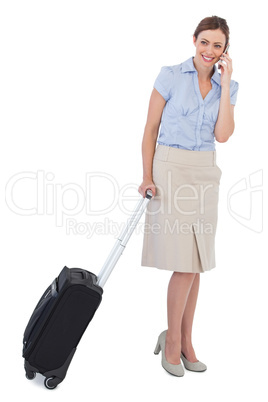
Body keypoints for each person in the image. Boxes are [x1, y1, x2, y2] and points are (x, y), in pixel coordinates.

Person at [138, 15, 239, 377]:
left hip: (205, 171)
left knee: (197, 263)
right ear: (193, 40)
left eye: (218, 45)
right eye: (205, 42)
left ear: (225, 50)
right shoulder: (169, 75)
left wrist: (225, 86)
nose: (210, 50)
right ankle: (173, 342)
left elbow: (223, 135)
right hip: (171, 168)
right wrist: (147, 176)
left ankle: (184, 337)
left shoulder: (229, 86)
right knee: (185, 262)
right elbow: (150, 129)